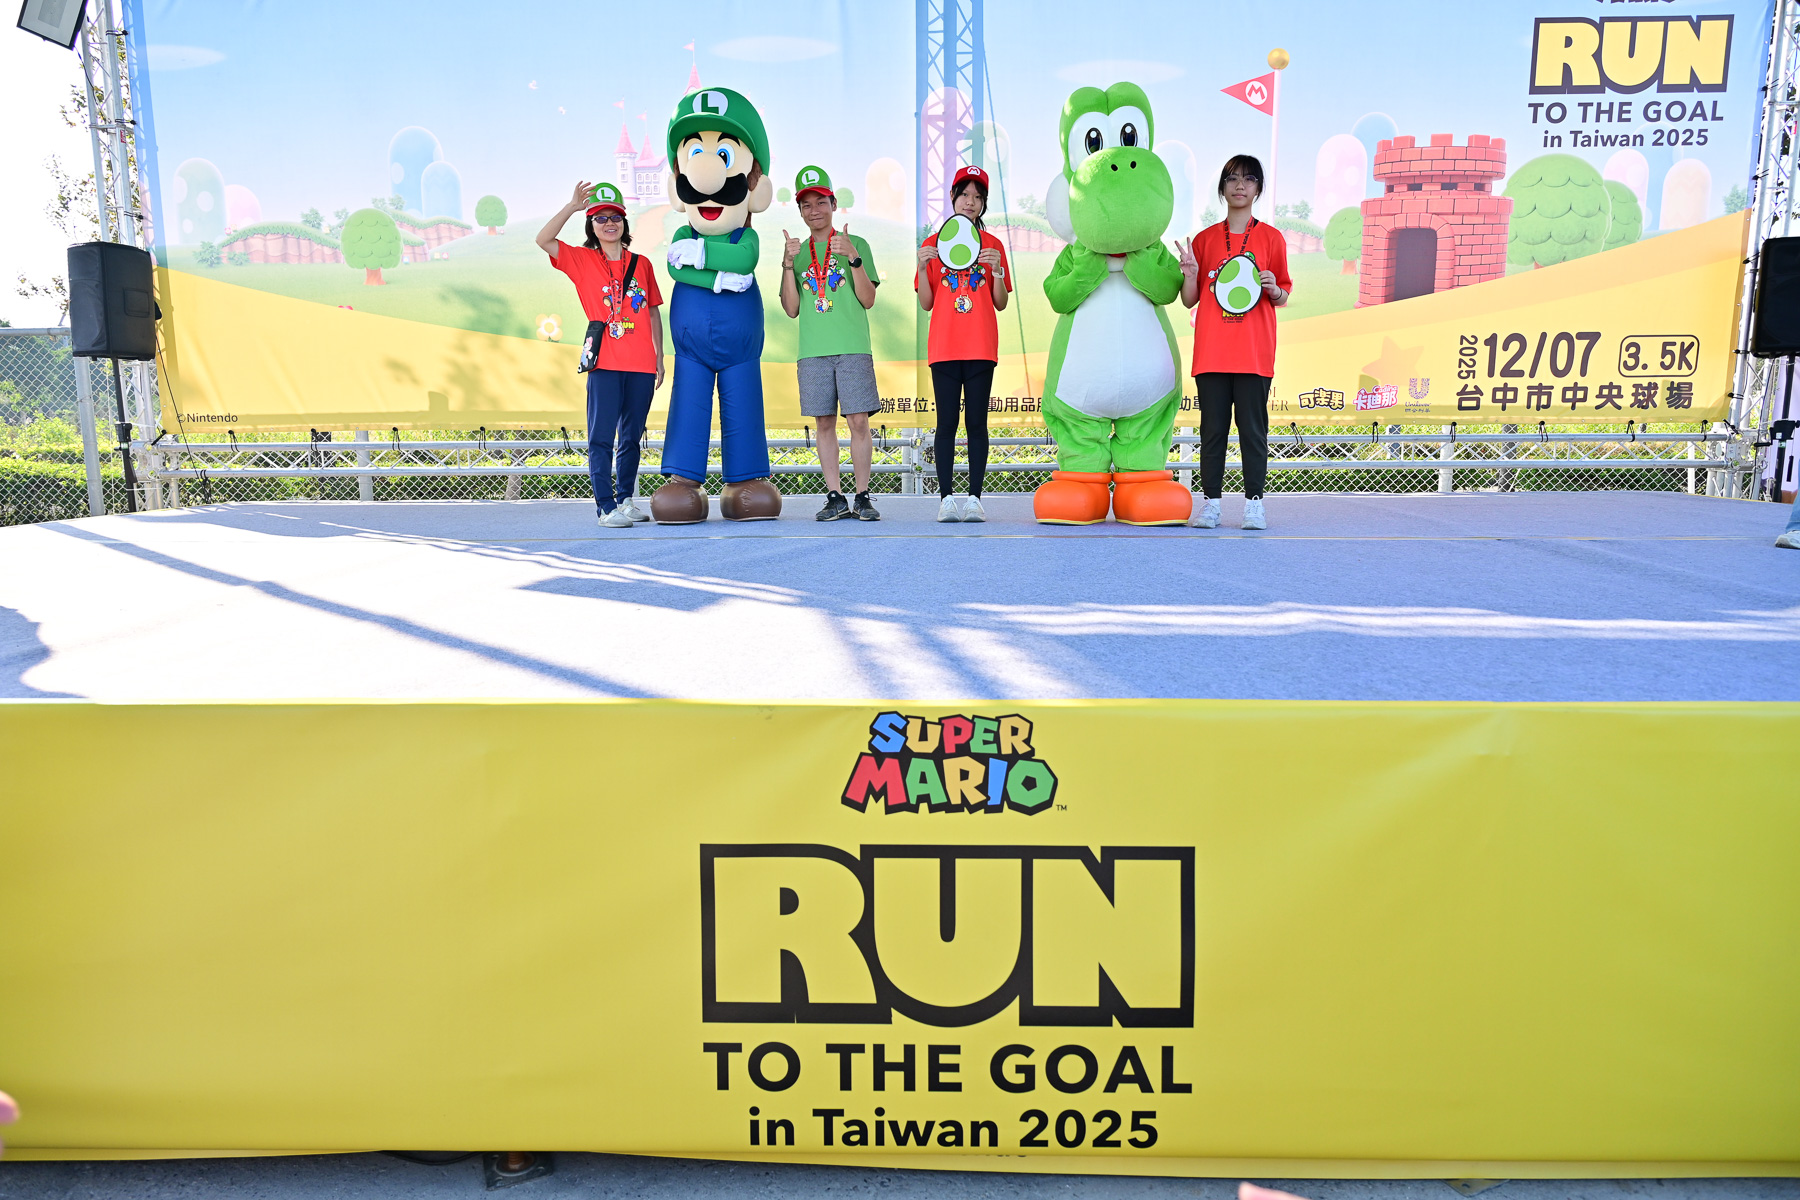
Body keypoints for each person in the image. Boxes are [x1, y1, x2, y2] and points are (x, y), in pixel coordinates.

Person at [536, 180, 664, 529]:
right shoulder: (581, 260)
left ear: (624, 223)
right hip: (605, 362)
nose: (610, 223)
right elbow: (543, 240)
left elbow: (653, 311)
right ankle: (605, 507)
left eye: (616, 217)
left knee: (632, 436)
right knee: (602, 436)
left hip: (641, 363)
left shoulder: (642, 264)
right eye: (601, 218)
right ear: (591, 225)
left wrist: (659, 357)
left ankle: (625, 499)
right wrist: (571, 207)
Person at [1178, 154, 1291, 531]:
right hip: (1212, 353)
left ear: (1258, 188)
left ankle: (1254, 505)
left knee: (1253, 431)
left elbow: (1283, 294)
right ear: (1222, 188)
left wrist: (1273, 288)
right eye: (1232, 179)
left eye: (1248, 179)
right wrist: (1190, 274)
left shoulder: (1271, 238)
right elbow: (1190, 300)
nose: (1240, 185)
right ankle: (1210, 504)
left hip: (1254, 353)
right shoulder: (1205, 239)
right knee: (1212, 431)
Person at [779, 166, 882, 522]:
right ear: (800, 211)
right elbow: (791, 308)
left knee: (858, 421)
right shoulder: (797, 253)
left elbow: (868, 299)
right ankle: (835, 496)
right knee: (824, 423)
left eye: (821, 202)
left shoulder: (857, 244)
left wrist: (853, 256)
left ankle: (862, 496)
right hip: (812, 351)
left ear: (834, 204)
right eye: (806, 205)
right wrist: (787, 265)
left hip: (852, 346)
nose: (814, 210)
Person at [917, 165, 1011, 523]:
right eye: (965, 195)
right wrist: (921, 266)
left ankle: (974, 498)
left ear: (983, 203)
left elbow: (1000, 302)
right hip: (944, 347)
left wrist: (997, 272)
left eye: (977, 197)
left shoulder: (993, 246)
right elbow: (926, 302)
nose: (970, 202)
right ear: (953, 197)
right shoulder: (932, 244)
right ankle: (946, 499)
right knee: (946, 424)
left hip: (981, 347)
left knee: (976, 423)